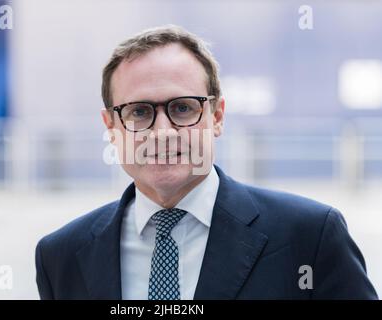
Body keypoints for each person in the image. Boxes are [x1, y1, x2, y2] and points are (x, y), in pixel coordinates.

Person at [35, 25, 378, 300]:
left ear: (217, 116)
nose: (163, 132)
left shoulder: (310, 237)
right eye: (139, 112)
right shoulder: (61, 257)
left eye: (183, 108)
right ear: (111, 126)